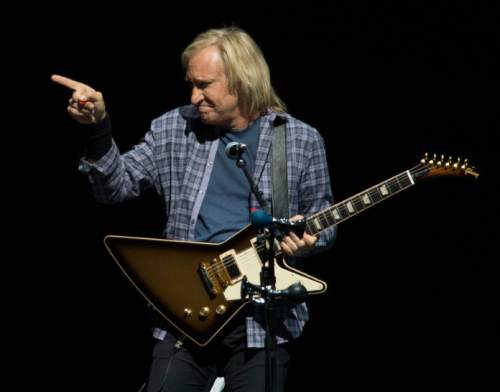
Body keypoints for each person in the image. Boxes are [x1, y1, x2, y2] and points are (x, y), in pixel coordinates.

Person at [52, 26, 336, 392]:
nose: (194, 96)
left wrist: (309, 240)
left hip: (262, 322)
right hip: (185, 315)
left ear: (243, 80)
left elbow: (324, 222)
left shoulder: (299, 139)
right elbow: (114, 189)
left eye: (205, 85)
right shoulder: (175, 127)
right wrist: (97, 129)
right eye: (192, 84)